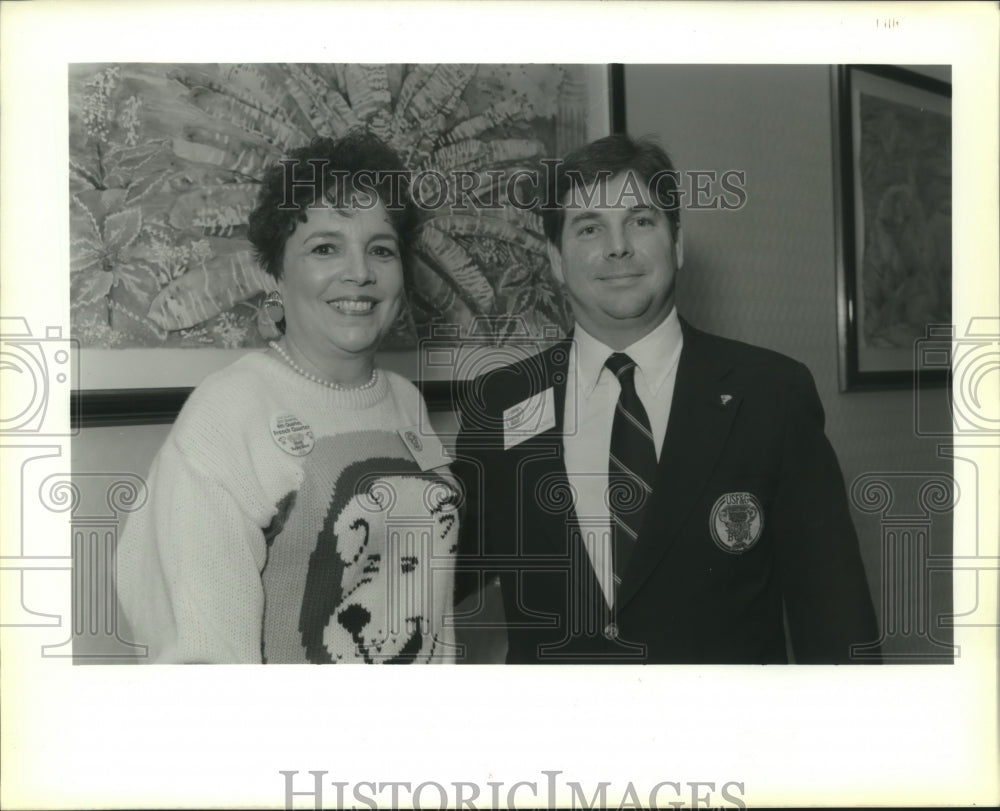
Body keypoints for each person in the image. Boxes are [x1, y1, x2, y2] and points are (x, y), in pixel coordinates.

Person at [453, 133, 879, 664]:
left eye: (641, 220)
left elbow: (835, 618)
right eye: (589, 227)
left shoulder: (772, 393)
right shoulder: (498, 402)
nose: (617, 246)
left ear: (676, 243)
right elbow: (433, 580)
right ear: (556, 259)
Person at [117, 133, 459, 664]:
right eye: (325, 248)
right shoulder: (229, 413)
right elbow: (204, 662)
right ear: (274, 272)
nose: (361, 273)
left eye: (381, 250)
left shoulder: (404, 400)